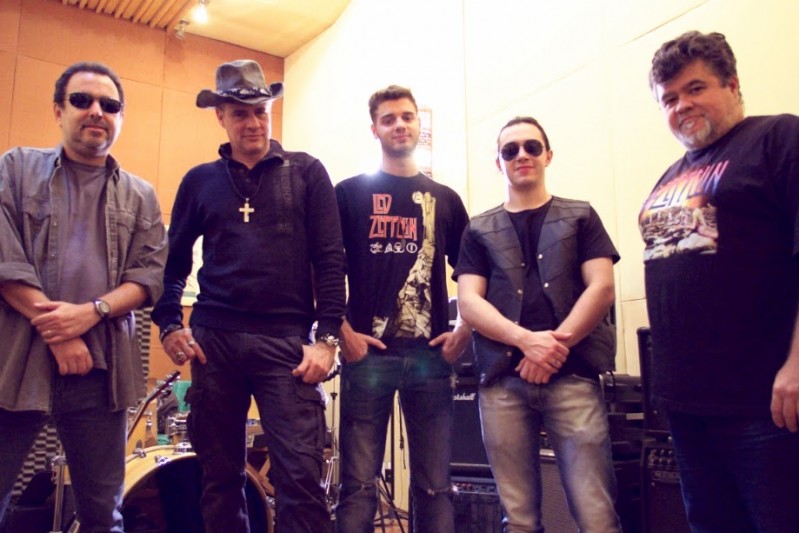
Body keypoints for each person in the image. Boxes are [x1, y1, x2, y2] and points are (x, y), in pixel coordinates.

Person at [151, 59, 345, 533]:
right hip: (214, 344)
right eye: (240, 113)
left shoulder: (307, 172)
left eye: (261, 111)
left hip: (287, 345)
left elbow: (330, 259)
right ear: (220, 116)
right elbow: (172, 262)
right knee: (219, 478)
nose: (253, 122)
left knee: (301, 478)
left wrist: (328, 340)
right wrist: (169, 323)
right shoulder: (199, 180)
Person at [641, 30, 799, 532]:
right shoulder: (670, 176)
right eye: (669, 99)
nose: (682, 105)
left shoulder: (779, 138)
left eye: (695, 88)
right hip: (686, 405)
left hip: (764, 401)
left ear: (732, 84)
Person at [0, 61, 167, 532]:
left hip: (102, 372)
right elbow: (4, 256)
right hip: (15, 363)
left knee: (101, 515)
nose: (97, 111)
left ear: (120, 118)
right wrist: (60, 332)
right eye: (82, 100)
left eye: (109, 105)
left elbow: (149, 276)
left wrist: (92, 312)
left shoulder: (141, 195)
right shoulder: (15, 168)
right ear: (58, 110)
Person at [455, 116, 622, 532]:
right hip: (501, 384)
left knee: (597, 517)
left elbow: (601, 288)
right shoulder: (478, 229)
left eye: (532, 146)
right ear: (499, 162)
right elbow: (469, 302)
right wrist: (527, 342)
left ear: (548, 155)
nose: (522, 155)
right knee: (519, 521)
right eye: (510, 150)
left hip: (573, 379)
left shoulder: (582, 215)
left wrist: (551, 350)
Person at [334, 85, 471, 533]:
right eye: (389, 118)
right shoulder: (348, 195)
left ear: (418, 125)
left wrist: (464, 328)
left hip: (430, 359)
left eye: (407, 117)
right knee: (357, 486)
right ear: (374, 129)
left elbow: (474, 274)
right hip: (366, 357)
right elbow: (322, 269)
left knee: (435, 487)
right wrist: (342, 332)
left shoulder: (446, 200)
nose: (399, 125)